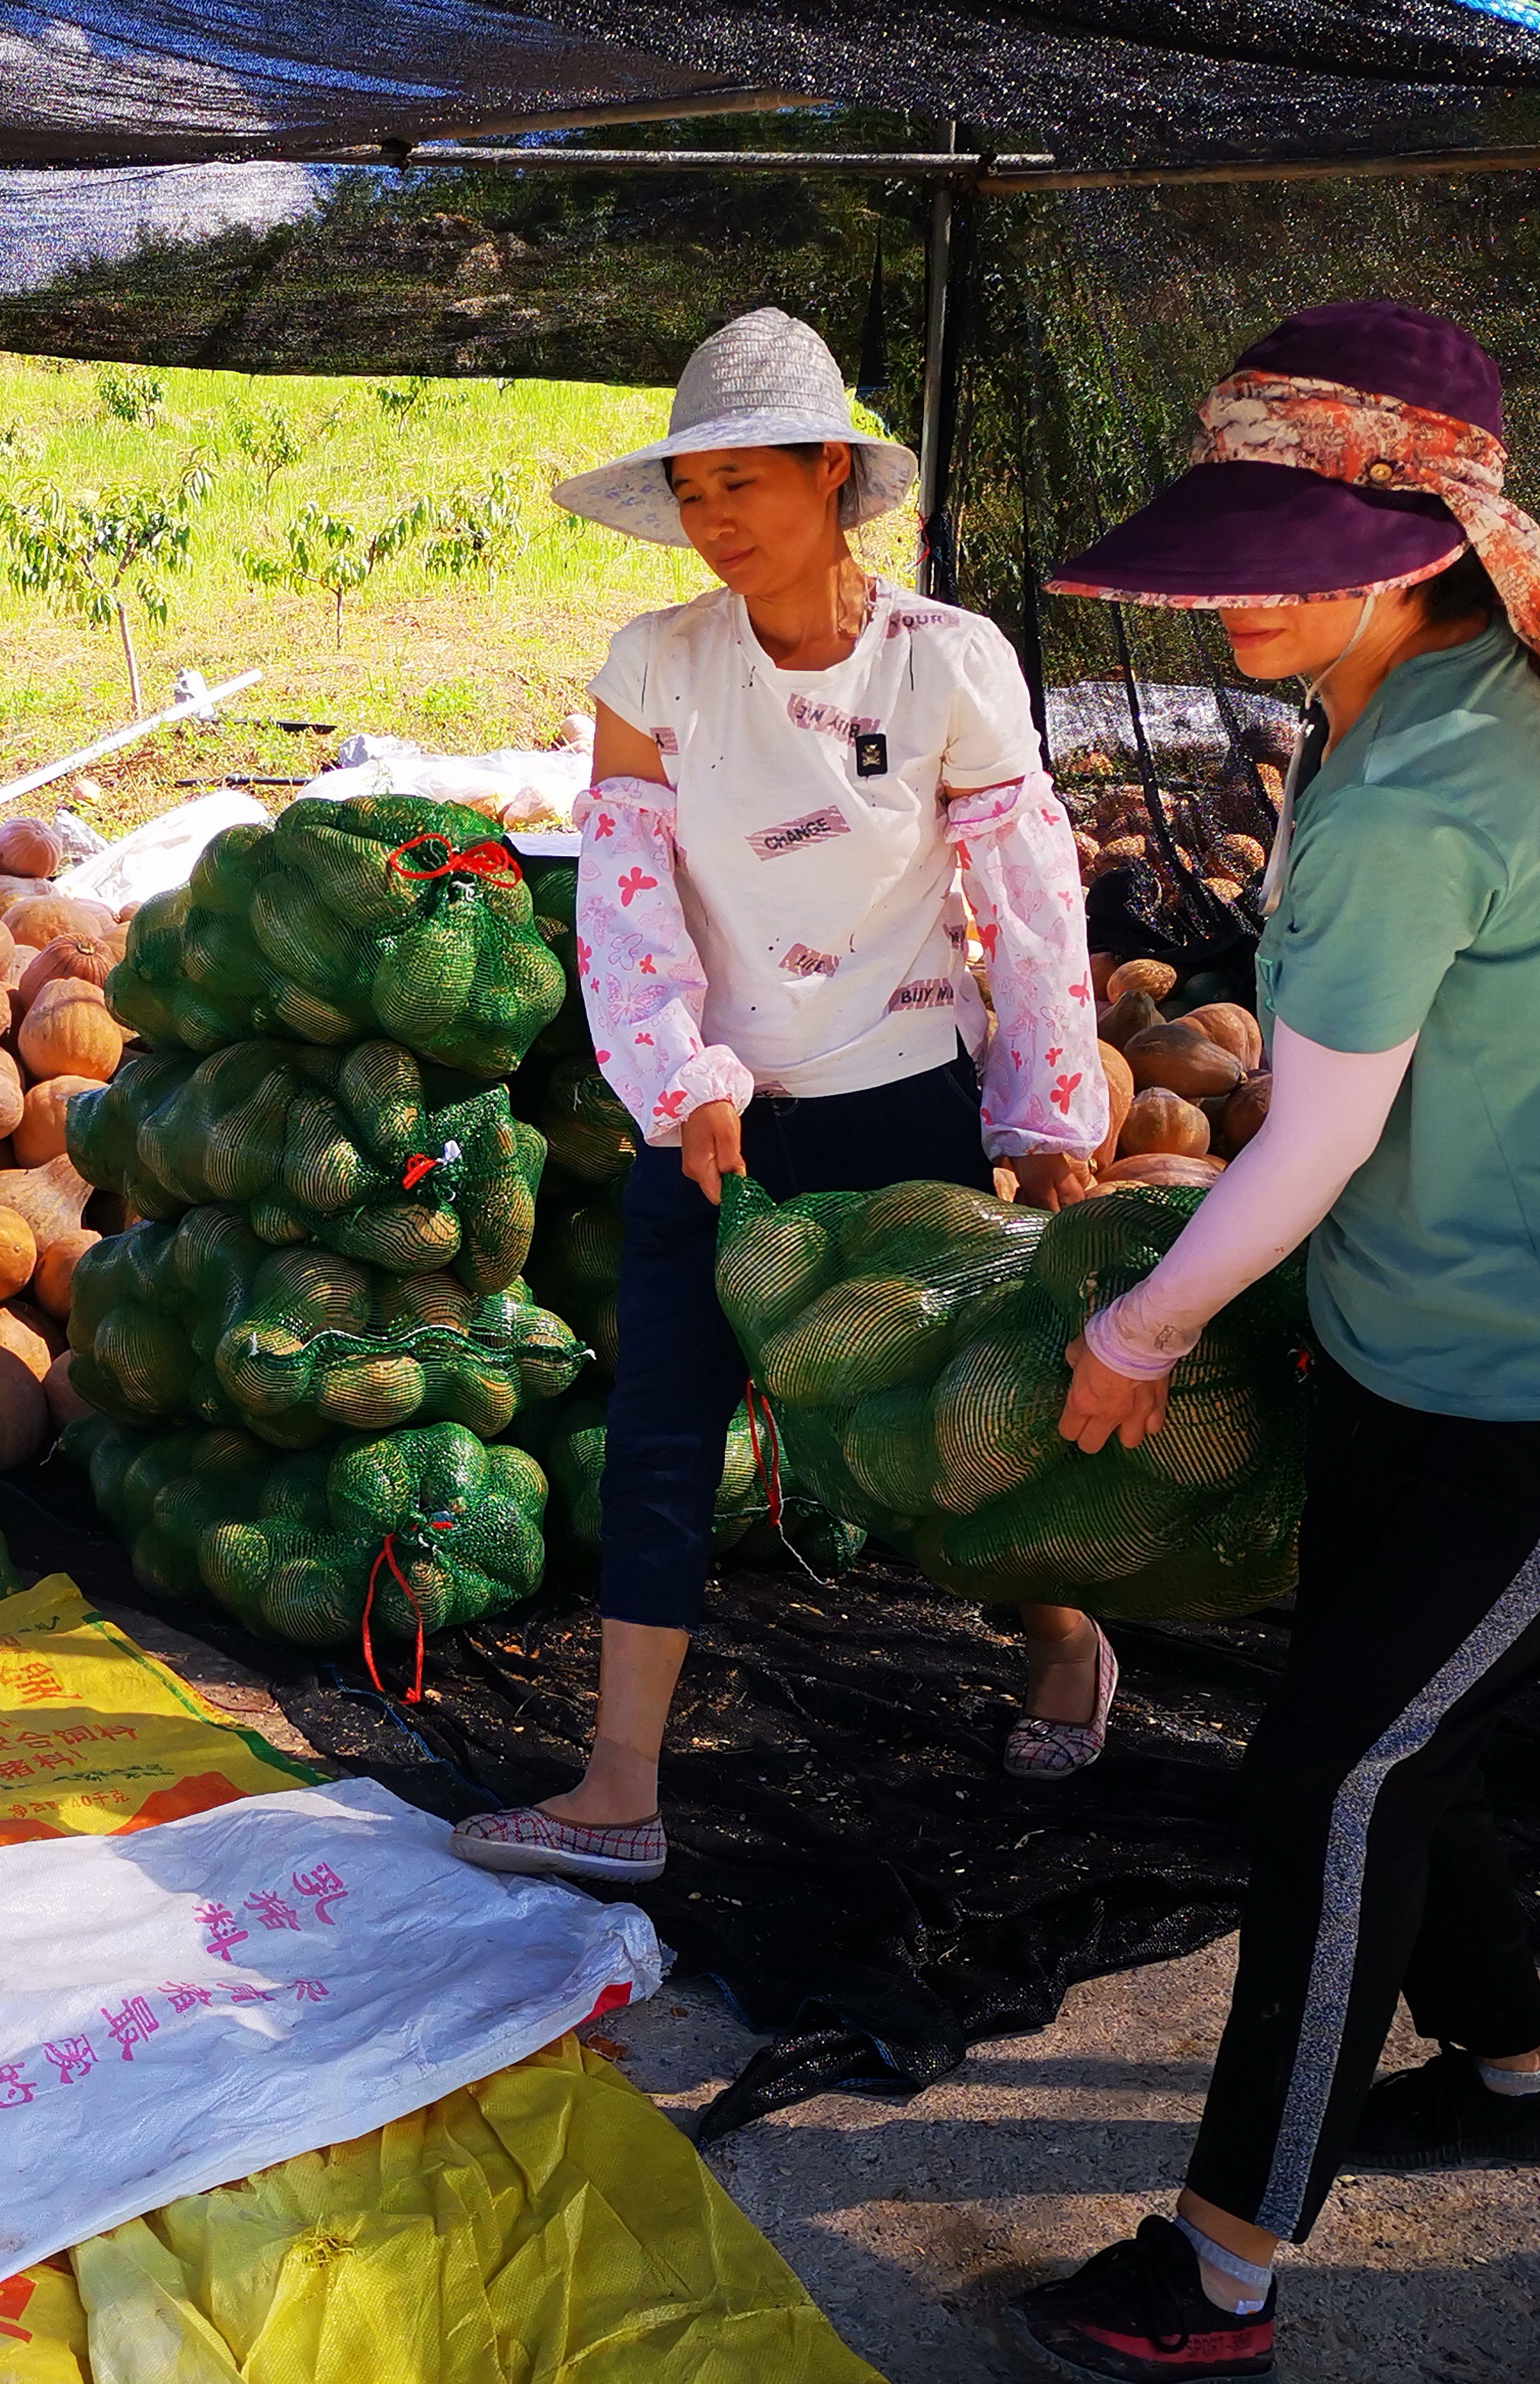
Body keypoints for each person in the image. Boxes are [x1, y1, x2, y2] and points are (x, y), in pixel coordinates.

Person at [1003, 300, 1540, 2381]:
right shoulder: (1421, 697)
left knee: (1331, 1775)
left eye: (1288, 551)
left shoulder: (1408, 788)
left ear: (1419, 545)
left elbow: (1308, 1140)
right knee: (1390, 1723)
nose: (1240, 594)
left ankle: (1218, 2272)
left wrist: (1138, 1330)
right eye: (1227, 543)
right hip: (1417, 1333)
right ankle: (1512, 2079)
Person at [448, 308, 1114, 1893]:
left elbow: (1022, 897)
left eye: (745, 483)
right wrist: (681, 1082)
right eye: (693, 495)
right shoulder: (656, 664)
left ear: (834, 475)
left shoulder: (945, 660)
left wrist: (1043, 1118)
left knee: (927, 1430)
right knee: (662, 1417)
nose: (717, 521)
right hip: (712, 1118)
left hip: (898, 1106)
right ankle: (619, 1784)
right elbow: (621, 901)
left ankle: (1066, 1639)